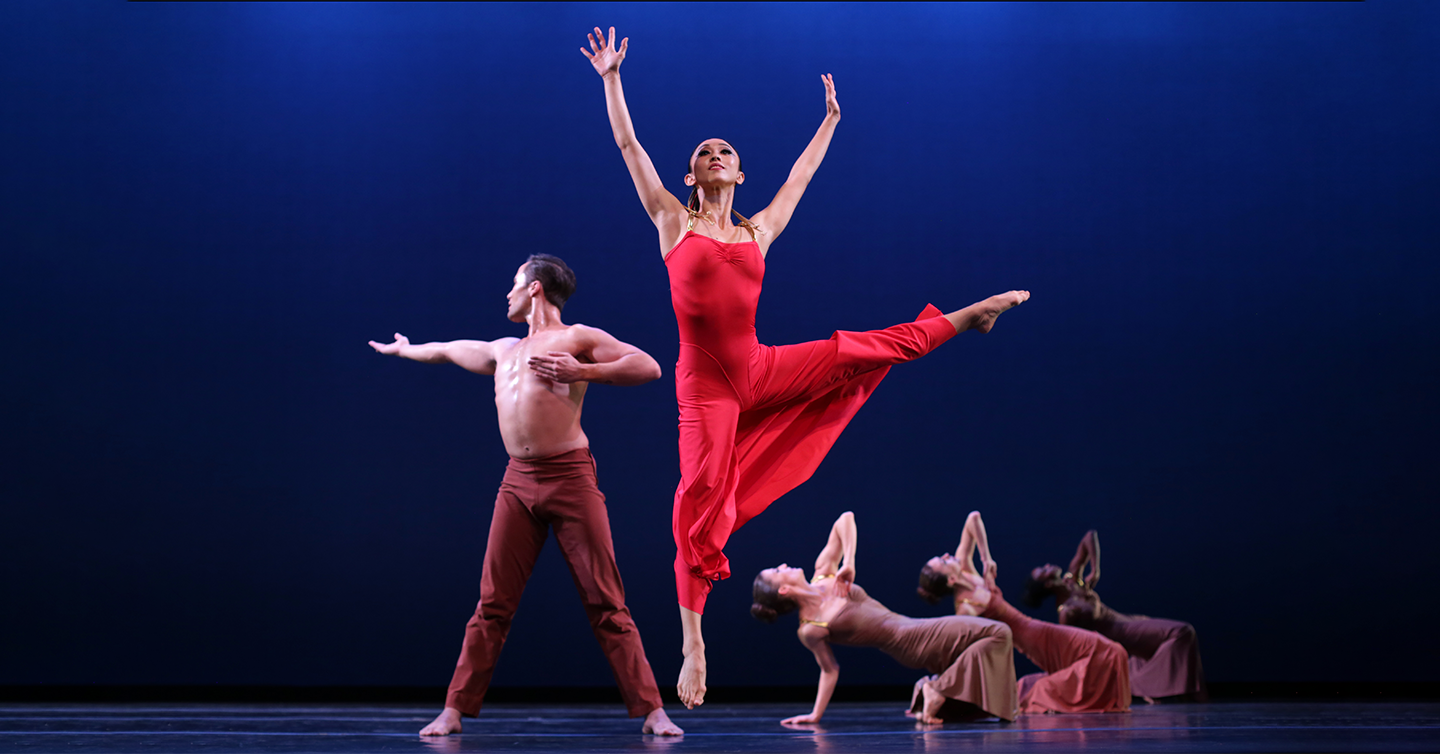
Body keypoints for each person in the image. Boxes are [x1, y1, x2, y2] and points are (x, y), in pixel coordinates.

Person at [582, 25, 1031, 708]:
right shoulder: (673, 222)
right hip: (706, 390)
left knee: (855, 349)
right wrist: (612, 80)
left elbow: (801, 179)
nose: (714, 156)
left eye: (725, 152)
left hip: (759, 368)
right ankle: (694, 643)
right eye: (704, 153)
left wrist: (829, 122)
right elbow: (628, 146)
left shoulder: (758, 231)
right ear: (691, 176)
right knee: (698, 499)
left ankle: (971, 315)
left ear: (738, 174)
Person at [369, 254, 682, 736]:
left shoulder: (576, 338)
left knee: (605, 599)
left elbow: (649, 366)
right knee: (492, 603)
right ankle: (453, 710)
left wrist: (582, 372)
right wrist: (406, 350)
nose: (507, 293)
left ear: (535, 287)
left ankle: (652, 711)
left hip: (570, 477)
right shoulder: (504, 350)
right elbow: (448, 350)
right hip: (517, 482)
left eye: (514, 283)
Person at [750, 512, 1018, 725]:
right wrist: (815, 715)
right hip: (908, 643)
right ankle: (938, 688)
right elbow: (829, 670)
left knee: (993, 636)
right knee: (999, 632)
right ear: (783, 590)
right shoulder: (810, 627)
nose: (783, 565)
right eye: (777, 571)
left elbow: (846, 518)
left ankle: (934, 687)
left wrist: (849, 562)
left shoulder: (824, 573)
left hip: (914, 627)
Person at [918, 512, 1131, 714]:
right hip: (1031, 641)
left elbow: (973, 518)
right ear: (951, 580)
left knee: (1108, 650)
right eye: (943, 561)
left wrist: (986, 559)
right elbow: (963, 650)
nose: (947, 555)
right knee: (1108, 651)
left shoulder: (966, 568)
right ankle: (938, 690)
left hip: (1037, 629)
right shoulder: (965, 608)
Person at [1022, 530, 1208, 703]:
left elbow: (1090, 536)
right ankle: (1134, 684)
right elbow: (1072, 647)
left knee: (1170, 644)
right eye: (1044, 570)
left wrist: (1095, 570)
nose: (1048, 565)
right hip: (1124, 635)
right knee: (1182, 631)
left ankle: (1183, 695)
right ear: (1048, 584)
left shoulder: (1073, 580)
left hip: (1131, 621)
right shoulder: (1067, 611)